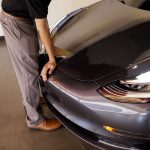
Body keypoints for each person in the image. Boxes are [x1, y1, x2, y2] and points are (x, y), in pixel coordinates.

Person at [0, 0, 61, 131]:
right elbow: (42, 25)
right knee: (28, 71)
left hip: (23, 16)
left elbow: (42, 19)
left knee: (31, 62)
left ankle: (31, 100)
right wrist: (51, 59)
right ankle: (35, 120)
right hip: (15, 21)